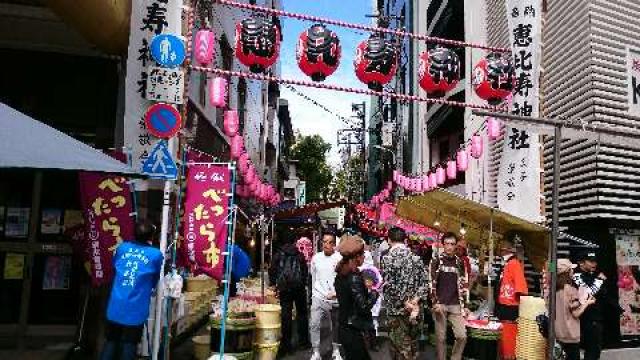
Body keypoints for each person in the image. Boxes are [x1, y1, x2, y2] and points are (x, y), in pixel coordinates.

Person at [100, 220, 163, 360]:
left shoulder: (122, 248)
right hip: (136, 307)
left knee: (111, 341)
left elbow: (115, 265)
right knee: (129, 344)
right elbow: (154, 279)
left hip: (116, 304)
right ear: (151, 237)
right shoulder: (155, 254)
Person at [381, 227, 430, 360]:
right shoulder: (417, 258)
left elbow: (389, 285)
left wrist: (405, 302)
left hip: (396, 311)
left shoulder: (387, 259)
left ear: (389, 240)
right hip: (415, 310)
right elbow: (425, 283)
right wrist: (414, 301)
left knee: (399, 347)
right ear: (405, 240)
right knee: (413, 346)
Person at [335, 234, 378, 360]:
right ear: (356, 257)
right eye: (362, 254)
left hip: (344, 327)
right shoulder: (354, 277)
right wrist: (375, 292)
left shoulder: (341, 274)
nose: (364, 256)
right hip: (353, 329)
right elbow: (364, 306)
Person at [428, 232, 469, 360]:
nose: (450, 247)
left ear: (456, 245)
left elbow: (465, 284)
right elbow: (430, 282)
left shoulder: (460, 263)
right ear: (443, 245)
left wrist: (466, 305)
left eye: (452, 244)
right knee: (441, 338)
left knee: (462, 336)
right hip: (441, 304)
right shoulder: (435, 261)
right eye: (447, 244)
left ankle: (455, 358)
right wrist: (435, 303)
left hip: (456, 304)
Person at [269, 234, 310, 356]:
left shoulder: (278, 254)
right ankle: (303, 342)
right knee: (302, 314)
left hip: (284, 289)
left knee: (286, 316)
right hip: (299, 288)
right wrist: (302, 283)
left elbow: (272, 270)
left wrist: (273, 284)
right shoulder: (299, 254)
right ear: (294, 242)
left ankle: (286, 344)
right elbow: (304, 271)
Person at [573, 250, 618, 360]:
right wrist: (599, 280)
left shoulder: (595, 276)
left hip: (597, 318)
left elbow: (604, 295)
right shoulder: (576, 276)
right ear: (581, 263)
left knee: (594, 350)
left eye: (595, 261)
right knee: (587, 351)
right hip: (583, 319)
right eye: (590, 261)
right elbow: (587, 293)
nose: (594, 264)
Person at [309, 232, 343, 360]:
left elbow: (343, 279)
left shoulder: (339, 258)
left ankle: (336, 350)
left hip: (334, 298)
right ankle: (316, 351)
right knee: (314, 323)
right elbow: (313, 277)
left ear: (334, 244)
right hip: (318, 296)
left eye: (329, 242)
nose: (326, 245)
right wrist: (313, 294)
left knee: (335, 325)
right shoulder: (316, 258)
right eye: (324, 241)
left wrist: (337, 293)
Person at [555, 258, 596, 360]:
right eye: (571, 269)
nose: (573, 271)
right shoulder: (570, 290)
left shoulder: (554, 290)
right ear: (567, 272)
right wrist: (587, 302)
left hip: (558, 333)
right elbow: (576, 313)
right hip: (571, 335)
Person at [495, 236, 528, 360]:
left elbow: (521, 287)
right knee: (503, 337)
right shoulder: (507, 263)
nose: (499, 249)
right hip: (503, 304)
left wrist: (519, 305)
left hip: (510, 306)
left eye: (501, 246)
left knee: (508, 338)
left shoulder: (514, 263)